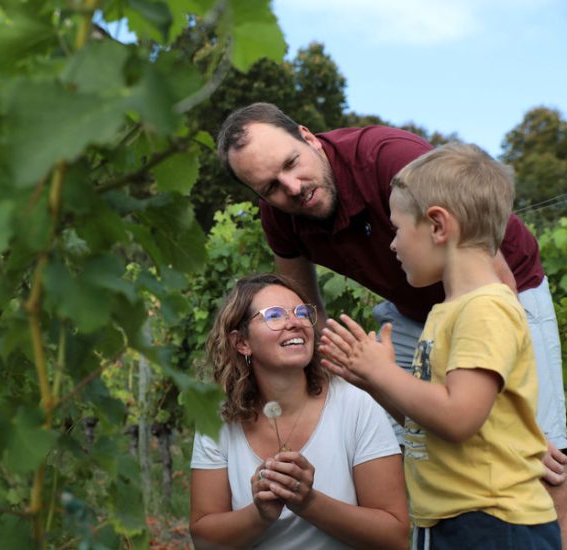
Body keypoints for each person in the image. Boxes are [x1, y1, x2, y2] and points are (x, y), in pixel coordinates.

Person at [216, 102, 567, 540]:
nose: (292, 187)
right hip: (416, 308)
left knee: (544, 457)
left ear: (307, 136)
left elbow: (489, 274)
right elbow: (305, 308)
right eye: (270, 187)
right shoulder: (281, 217)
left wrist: (518, 419)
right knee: (416, 432)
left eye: (292, 163)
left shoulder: (389, 160)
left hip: (504, 283)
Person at [318, 143, 560, 548]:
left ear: (437, 226)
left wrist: (385, 372)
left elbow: (459, 418)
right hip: (457, 519)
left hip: (491, 523)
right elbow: (428, 419)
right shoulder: (447, 311)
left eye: (397, 229)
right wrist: (375, 382)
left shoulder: (485, 309)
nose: (392, 245)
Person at [189, 273, 409, 549]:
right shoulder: (218, 420)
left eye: (302, 313)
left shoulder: (355, 404)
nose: (295, 322)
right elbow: (203, 540)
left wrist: (309, 503)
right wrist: (259, 514)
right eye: (275, 316)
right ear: (241, 342)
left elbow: (395, 537)